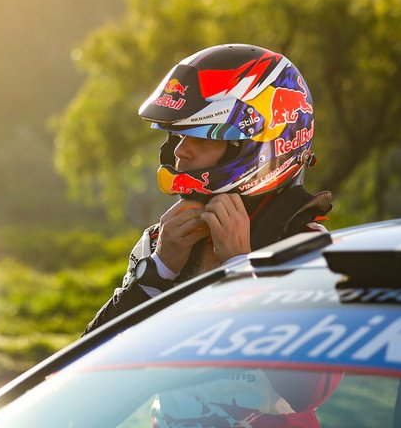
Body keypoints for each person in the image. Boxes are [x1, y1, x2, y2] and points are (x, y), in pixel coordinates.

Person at [86, 44, 333, 333]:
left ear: (256, 146)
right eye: (177, 135)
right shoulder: (160, 241)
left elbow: (309, 379)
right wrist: (158, 273)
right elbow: (83, 366)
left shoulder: (307, 250)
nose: (180, 152)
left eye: (202, 137)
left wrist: (241, 269)